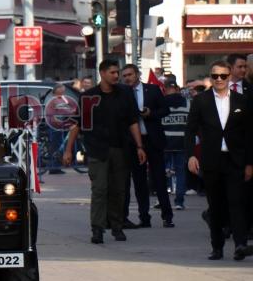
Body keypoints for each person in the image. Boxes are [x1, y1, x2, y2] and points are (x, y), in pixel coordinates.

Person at [62, 59, 146, 244]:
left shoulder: (125, 95)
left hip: (120, 148)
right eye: (113, 72)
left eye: (118, 72)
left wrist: (139, 146)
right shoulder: (89, 97)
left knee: (119, 190)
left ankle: (117, 226)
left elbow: (133, 121)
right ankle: (97, 229)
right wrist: (68, 150)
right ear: (102, 73)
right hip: (97, 149)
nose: (116, 76)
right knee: (100, 189)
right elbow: (77, 125)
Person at [186, 60, 253, 261]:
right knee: (216, 206)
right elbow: (190, 130)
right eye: (215, 76)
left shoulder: (242, 101)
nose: (219, 80)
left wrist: (249, 163)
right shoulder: (201, 101)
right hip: (211, 161)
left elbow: (249, 134)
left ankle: (240, 244)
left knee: (237, 203)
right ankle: (217, 246)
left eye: (223, 76)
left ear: (229, 75)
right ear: (211, 77)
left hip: (235, 160)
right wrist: (190, 155)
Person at [120, 64, 174, 229]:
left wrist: (151, 113)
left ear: (137, 74)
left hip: (153, 139)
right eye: (124, 76)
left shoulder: (153, 90)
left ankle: (167, 216)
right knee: (139, 181)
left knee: (159, 179)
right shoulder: (122, 93)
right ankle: (144, 217)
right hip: (133, 143)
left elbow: (165, 110)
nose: (127, 78)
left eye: (130, 74)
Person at [162, 76, 189, 210]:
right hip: (181, 142)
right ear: (177, 88)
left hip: (165, 142)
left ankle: (163, 199)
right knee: (180, 172)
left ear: (166, 89)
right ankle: (179, 201)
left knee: (162, 171)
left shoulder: (161, 102)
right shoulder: (187, 102)